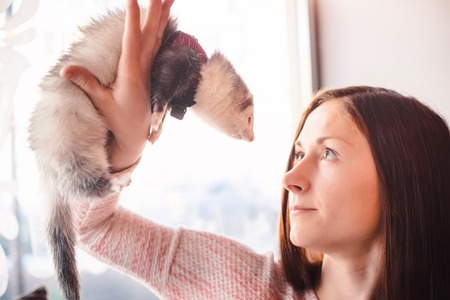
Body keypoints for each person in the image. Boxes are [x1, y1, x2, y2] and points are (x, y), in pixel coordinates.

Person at [60, 0, 450, 299]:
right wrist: (121, 150)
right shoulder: (243, 284)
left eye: (328, 153)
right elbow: (91, 228)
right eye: (299, 154)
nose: (290, 178)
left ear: (405, 182)